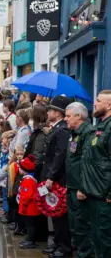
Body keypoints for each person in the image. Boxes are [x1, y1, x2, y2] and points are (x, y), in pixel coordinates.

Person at [79, 90, 111, 258]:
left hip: (104, 196)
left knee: (105, 240)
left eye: (98, 100)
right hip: (93, 192)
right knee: (96, 238)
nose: (94, 103)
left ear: (109, 105)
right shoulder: (99, 126)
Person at [42, 95, 73, 258]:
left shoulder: (62, 130)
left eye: (50, 110)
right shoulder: (56, 127)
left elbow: (60, 155)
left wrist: (51, 176)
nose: (47, 113)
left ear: (58, 113)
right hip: (51, 177)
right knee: (53, 210)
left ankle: (64, 247)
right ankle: (57, 243)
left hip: (58, 179)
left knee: (59, 213)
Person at [62, 102, 95, 257]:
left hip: (80, 189)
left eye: (68, 116)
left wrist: (82, 187)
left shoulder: (88, 133)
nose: (65, 119)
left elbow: (87, 163)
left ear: (78, 116)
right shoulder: (74, 133)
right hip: (72, 186)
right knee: (74, 225)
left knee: (82, 226)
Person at [16, 155, 41, 249]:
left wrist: (24, 206)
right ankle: (29, 239)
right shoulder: (28, 178)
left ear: (24, 170)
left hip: (29, 208)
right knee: (29, 224)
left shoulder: (27, 180)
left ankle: (31, 241)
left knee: (30, 225)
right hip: (29, 208)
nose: (19, 169)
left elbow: (27, 196)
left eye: (20, 168)